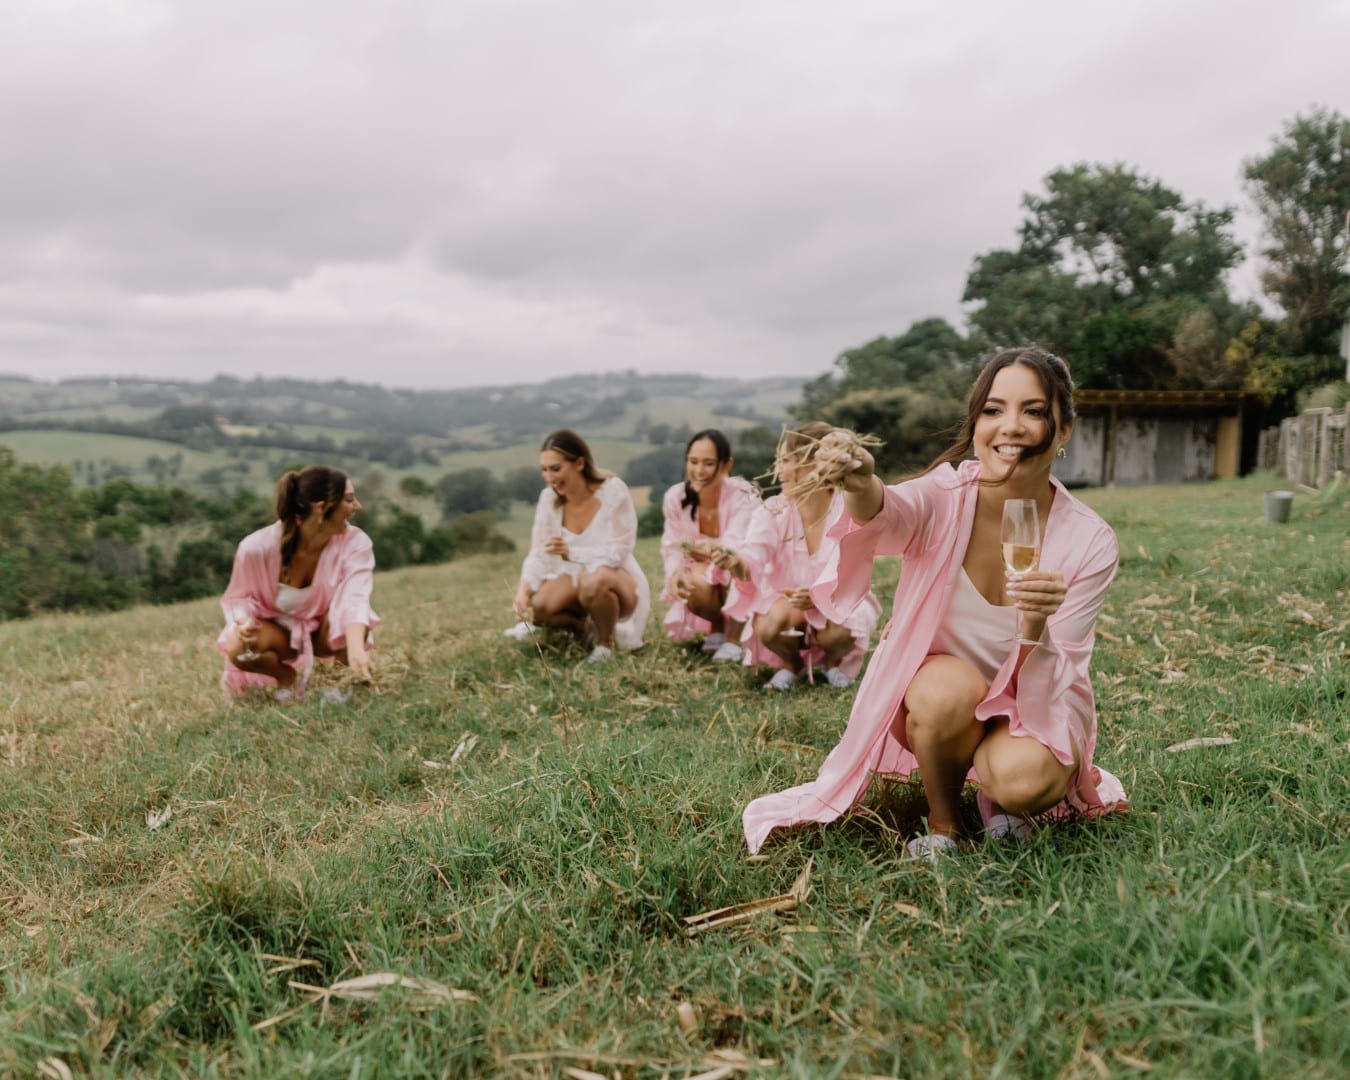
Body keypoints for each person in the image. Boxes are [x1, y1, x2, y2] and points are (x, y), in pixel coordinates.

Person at [742, 348, 1129, 858]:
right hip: (945, 698)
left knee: (1026, 781)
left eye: (1033, 411)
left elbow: (1065, 673)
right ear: (975, 424)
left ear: (1064, 430)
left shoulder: (1090, 540)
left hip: (1037, 702)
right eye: (993, 410)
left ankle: (999, 799)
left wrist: (1039, 624)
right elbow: (889, 511)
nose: (1010, 427)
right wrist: (860, 483)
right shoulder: (945, 496)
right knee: (947, 691)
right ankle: (944, 825)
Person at [716, 422, 880, 692]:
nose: (779, 472)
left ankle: (832, 660)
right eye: (778, 462)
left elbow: (855, 568)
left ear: (815, 465)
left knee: (840, 629)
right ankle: (791, 664)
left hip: (839, 596)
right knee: (769, 625)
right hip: (789, 600)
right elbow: (754, 554)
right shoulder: (774, 510)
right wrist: (736, 562)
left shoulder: (847, 507)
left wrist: (818, 595)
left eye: (786, 462)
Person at [219, 465, 378, 699]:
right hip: (279, 633)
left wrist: (355, 649)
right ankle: (286, 678)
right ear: (322, 508)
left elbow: (354, 600)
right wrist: (243, 621)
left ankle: (336, 685)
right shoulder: (255, 548)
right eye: (349, 500)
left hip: (326, 631)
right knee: (236, 646)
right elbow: (240, 596)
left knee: (356, 628)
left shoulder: (356, 543)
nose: (357, 507)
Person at [507, 429, 651, 662]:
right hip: (573, 579)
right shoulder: (548, 499)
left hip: (616, 577)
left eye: (556, 468)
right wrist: (523, 592)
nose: (549, 477)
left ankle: (605, 645)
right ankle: (583, 628)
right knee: (541, 607)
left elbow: (620, 550)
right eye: (544, 470)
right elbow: (539, 552)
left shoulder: (613, 490)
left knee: (593, 579)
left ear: (579, 463)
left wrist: (572, 552)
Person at [658, 429, 761, 662]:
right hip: (703, 567)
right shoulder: (675, 497)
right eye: (693, 462)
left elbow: (737, 545)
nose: (699, 471)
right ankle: (718, 627)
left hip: (740, 565)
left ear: (726, 466)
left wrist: (709, 548)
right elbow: (672, 545)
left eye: (708, 463)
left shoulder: (743, 495)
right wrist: (675, 573)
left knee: (740, 567)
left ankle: (735, 638)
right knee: (693, 582)